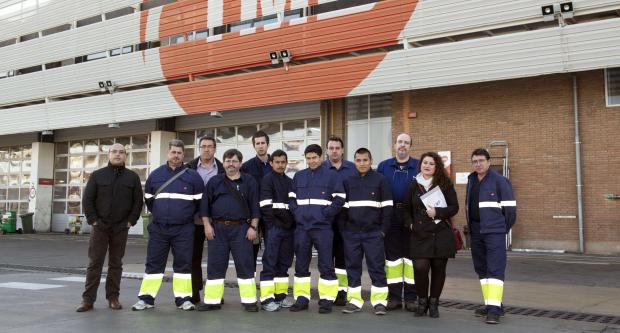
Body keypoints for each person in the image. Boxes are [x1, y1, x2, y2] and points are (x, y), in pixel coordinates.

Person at [132, 139, 204, 311]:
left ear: (183, 155)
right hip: (159, 228)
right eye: (173, 152)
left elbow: (200, 203)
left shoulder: (193, 176)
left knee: (183, 264)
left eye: (179, 153)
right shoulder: (155, 175)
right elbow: (149, 200)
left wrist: (183, 216)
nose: (176, 155)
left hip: (184, 229)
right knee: (154, 264)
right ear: (168, 153)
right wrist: (162, 214)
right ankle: (146, 299)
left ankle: (183, 299)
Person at [77, 143, 144, 312]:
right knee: (95, 263)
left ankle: (113, 297)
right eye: (114, 151)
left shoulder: (132, 177)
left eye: (121, 152)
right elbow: (88, 200)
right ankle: (88, 300)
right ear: (109, 154)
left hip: (121, 227)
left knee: (116, 264)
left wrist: (131, 222)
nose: (118, 154)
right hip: (100, 227)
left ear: (125, 156)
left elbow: (138, 202)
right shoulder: (98, 175)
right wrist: (94, 221)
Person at [198, 149, 260, 312]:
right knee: (215, 265)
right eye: (227, 161)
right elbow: (204, 206)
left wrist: (253, 227)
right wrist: (207, 226)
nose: (230, 164)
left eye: (234, 161)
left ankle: (249, 301)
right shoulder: (214, 182)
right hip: (217, 229)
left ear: (240, 163)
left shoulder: (249, 181)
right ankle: (212, 301)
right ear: (223, 163)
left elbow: (255, 206)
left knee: (245, 264)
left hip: (242, 229)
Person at [288, 144, 345, 314]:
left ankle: (327, 299)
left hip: (323, 228)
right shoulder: (298, 176)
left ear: (321, 157)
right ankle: (301, 298)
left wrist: (325, 215)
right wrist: (297, 213)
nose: (311, 161)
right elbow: (291, 199)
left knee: (326, 264)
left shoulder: (331, 176)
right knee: (301, 265)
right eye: (308, 158)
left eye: (314, 157)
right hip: (302, 228)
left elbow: (340, 198)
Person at [403, 152, 459, 318]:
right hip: (420, 233)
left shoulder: (445, 184)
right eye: (425, 163)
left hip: (440, 232)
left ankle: (434, 303)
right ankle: (422, 301)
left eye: (431, 164)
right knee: (420, 268)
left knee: (438, 268)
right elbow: (406, 208)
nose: (427, 166)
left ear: (437, 167)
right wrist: (410, 223)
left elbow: (454, 207)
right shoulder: (413, 184)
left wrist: (438, 212)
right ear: (420, 165)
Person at [466, 148, 516, 324]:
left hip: (494, 232)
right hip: (476, 231)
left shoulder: (500, 181)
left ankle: (494, 311)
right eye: (475, 161)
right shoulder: (471, 180)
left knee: (495, 269)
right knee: (481, 269)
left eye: (481, 160)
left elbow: (510, 211)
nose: (478, 164)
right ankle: (491, 304)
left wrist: (500, 228)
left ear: (488, 162)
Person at [339, 148, 392, 315]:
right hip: (352, 234)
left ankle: (380, 302)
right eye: (358, 160)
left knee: (377, 268)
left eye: (365, 160)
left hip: (373, 234)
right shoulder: (348, 181)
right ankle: (354, 301)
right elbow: (342, 209)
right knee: (352, 268)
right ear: (354, 162)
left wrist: (382, 231)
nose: (362, 163)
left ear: (371, 161)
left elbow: (388, 208)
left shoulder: (380, 180)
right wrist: (344, 231)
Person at [376, 133, 419, 311]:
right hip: (390, 214)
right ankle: (394, 298)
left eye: (406, 143)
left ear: (410, 146)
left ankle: (410, 298)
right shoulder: (383, 166)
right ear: (394, 145)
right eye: (400, 142)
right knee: (392, 259)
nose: (403, 145)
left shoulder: (418, 165)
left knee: (411, 259)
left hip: (412, 215)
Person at [186, 136, 225, 304]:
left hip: (217, 221)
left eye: (210, 146)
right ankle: (194, 292)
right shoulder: (189, 168)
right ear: (199, 148)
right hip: (194, 221)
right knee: (193, 257)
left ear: (215, 149)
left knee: (217, 259)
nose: (206, 149)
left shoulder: (223, 169)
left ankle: (215, 294)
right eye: (203, 146)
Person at [258, 150, 296, 311]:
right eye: (277, 162)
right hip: (274, 229)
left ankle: (280, 297)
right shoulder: (267, 180)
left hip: (289, 230)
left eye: (283, 162)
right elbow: (266, 207)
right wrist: (273, 225)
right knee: (270, 263)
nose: (280, 165)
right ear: (271, 163)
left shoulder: (290, 181)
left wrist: (291, 224)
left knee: (284, 263)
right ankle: (267, 299)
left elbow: (293, 206)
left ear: (286, 163)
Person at [322, 136, 357, 306]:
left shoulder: (352, 168)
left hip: (346, 220)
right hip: (326, 220)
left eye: (337, 148)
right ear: (327, 150)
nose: (334, 150)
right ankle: (328, 292)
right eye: (331, 148)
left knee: (343, 258)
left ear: (342, 150)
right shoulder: (320, 168)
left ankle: (342, 291)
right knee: (326, 257)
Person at [241, 130, 273, 267]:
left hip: (272, 214)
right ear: (254, 146)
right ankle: (250, 279)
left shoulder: (275, 164)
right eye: (257, 143)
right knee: (251, 248)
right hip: (253, 213)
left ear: (267, 144)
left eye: (263, 143)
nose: (260, 146)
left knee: (272, 247)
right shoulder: (247, 167)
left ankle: (269, 278)